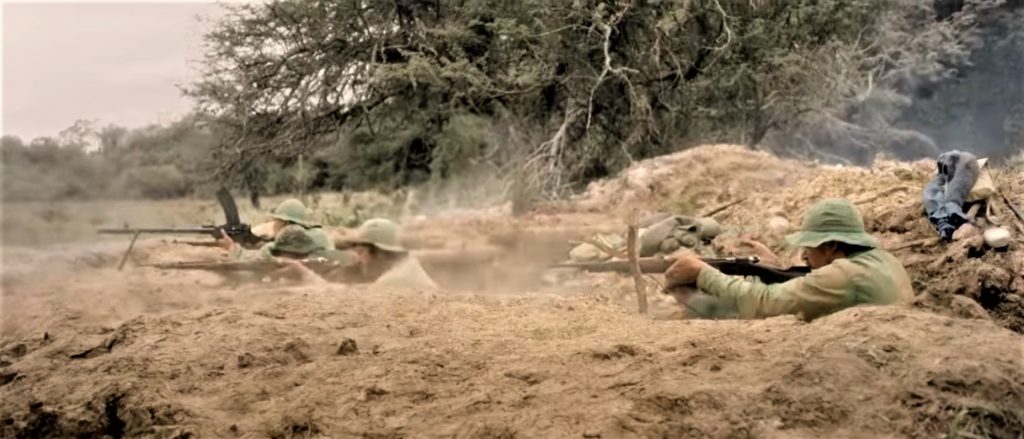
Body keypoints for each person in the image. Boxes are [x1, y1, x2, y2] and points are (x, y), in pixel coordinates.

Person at [664, 198, 914, 320]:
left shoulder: (843, 275)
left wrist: (702, 273)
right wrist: (773, 269)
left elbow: (763, 303)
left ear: (831, 246)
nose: (804, 255)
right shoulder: (885, 261)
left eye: (809, 247)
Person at [336, 218, 438, 290]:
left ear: (380, 253)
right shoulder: (407, 266)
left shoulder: (390, 283)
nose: (358, 259)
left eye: (361, 252)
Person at [252, 198, 335, 251]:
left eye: (276, 221)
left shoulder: (273, 249)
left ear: (285, 223)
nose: (273, 225)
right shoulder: (321, 236)